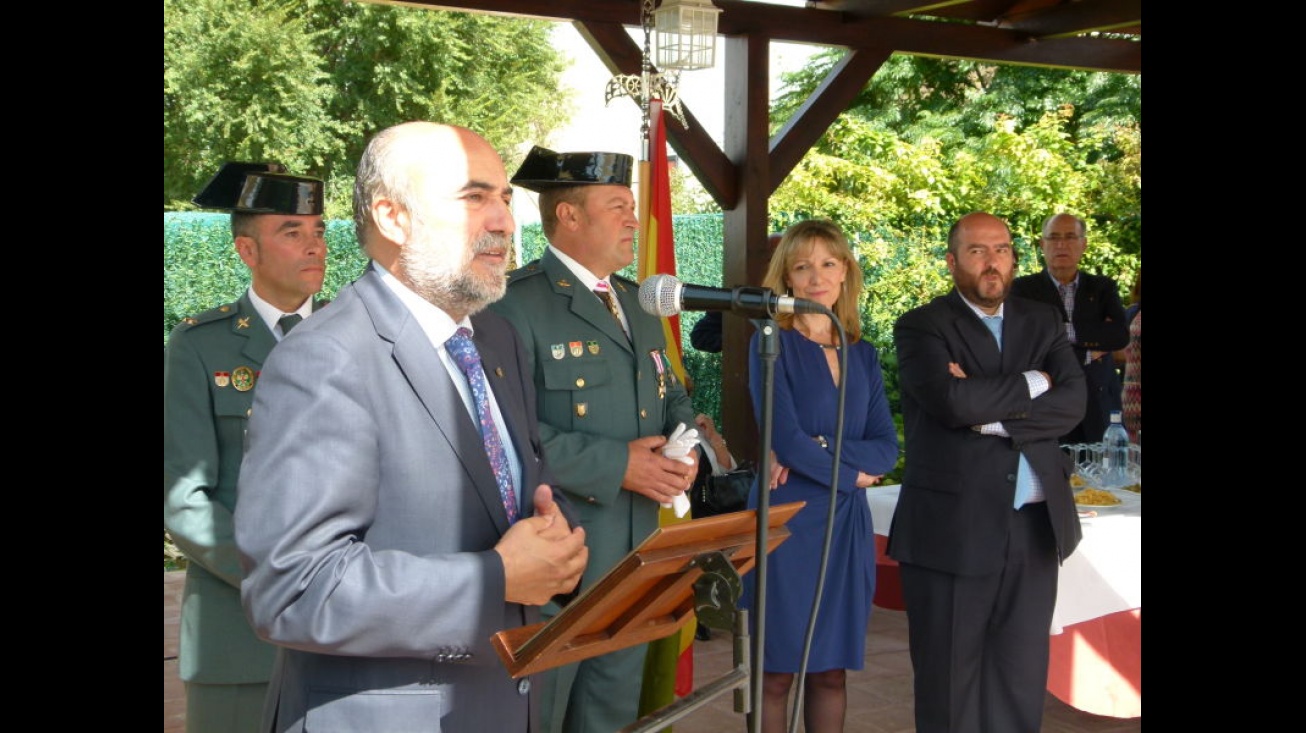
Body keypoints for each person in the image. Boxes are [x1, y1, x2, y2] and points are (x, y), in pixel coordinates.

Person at [233, 122, 589, 732]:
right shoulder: (325, 357)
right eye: (474, 197)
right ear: (393, 217)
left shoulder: (495, 338)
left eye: (505, 197)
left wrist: (557, 551)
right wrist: (496, 578)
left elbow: (519, 499)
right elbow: (293, 589)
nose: (504, 220)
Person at [489, 145, 698, 733]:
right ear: (569, 218)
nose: (634, 219)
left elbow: (672, 396)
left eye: (634, 206)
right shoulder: (513, 304)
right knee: (543, 709)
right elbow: (501, 431)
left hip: (634, 547)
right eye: (618, 206)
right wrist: (616, 465)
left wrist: (684, 455)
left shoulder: (639, 301)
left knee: (611, 709)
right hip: (561, 551)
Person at [889, 211, 1086, 733]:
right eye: (977, 251)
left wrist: (991, 417)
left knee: (1020, 681)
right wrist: (1034, 383)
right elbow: (952, 403)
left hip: (1034, 527)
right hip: (953, 528)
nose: (991, 261)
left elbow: (1075, 403)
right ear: (952, 261)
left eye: (1000, 249)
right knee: (950, 686)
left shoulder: (1041, 320)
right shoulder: (921, 325)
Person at [163, 161, 327, 733]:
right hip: (238, 637)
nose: (312, 246)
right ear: (247, 252)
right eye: (291, 232)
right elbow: (185, 500)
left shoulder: (359, 338)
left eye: (318, 231)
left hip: (347, 632)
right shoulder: (199, 347)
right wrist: (277, 576)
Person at [740, 219, 899, 733]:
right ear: (786, 276)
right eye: (802, 265)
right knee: (776, 674)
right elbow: (784, 440)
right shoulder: (771, 343)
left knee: (831, 672)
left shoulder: (864, 353)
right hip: (787, 521)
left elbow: (886, 448)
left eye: (828, 263)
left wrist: (824, 448)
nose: (816, 277)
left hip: (843, 527)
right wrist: (850, 470)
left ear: (845, 272)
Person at [1010, 213, 1128, 444]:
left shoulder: (1102, 287)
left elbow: (1119, 336)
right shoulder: (1022, 290)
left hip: (1098, 399)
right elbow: (1025, 341)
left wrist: (1058, 332)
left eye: (1070, 237)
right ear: (1042, 244)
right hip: (1046, 401)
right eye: (1053, 237)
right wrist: (1087, 351)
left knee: (1098, 473)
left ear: (1083, 244)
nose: (1061, 244)